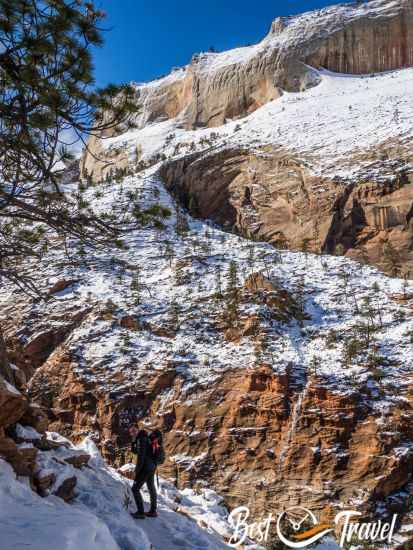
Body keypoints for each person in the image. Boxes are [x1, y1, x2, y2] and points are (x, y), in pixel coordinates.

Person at [129, 424, 158, 519]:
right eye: (131, 431)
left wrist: (136, 472)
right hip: (152, 466)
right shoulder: (143, 438)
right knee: (151, 487)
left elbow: (141, 457)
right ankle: (153, 511)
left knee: (135, 489)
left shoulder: (141, 439)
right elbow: (135, 451)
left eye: (134, 430)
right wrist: (133, 441)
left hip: (146, 467)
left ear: (138, 429)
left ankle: (140, 512)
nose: (132, 433)